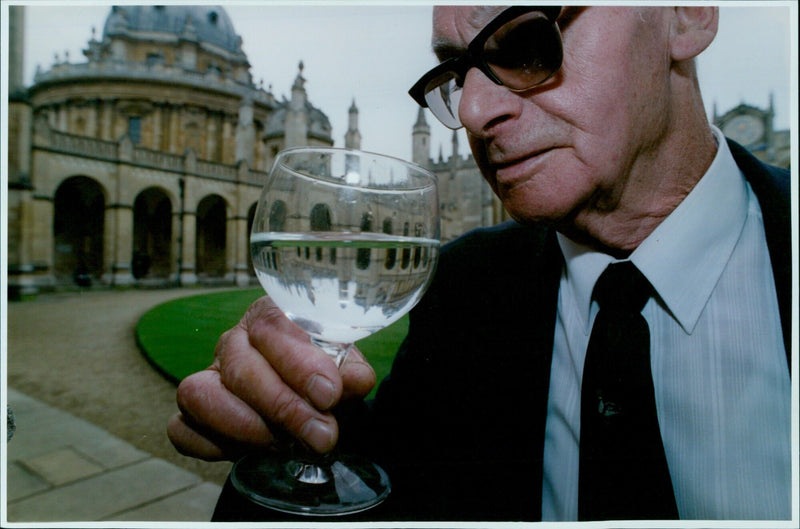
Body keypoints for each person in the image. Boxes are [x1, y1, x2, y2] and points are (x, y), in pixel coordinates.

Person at [167, 5, 792, 522]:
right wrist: (302, 430)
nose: (472, 112)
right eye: (458, 71)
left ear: (686, 16)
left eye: (526, 40)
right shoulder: (466, 289)